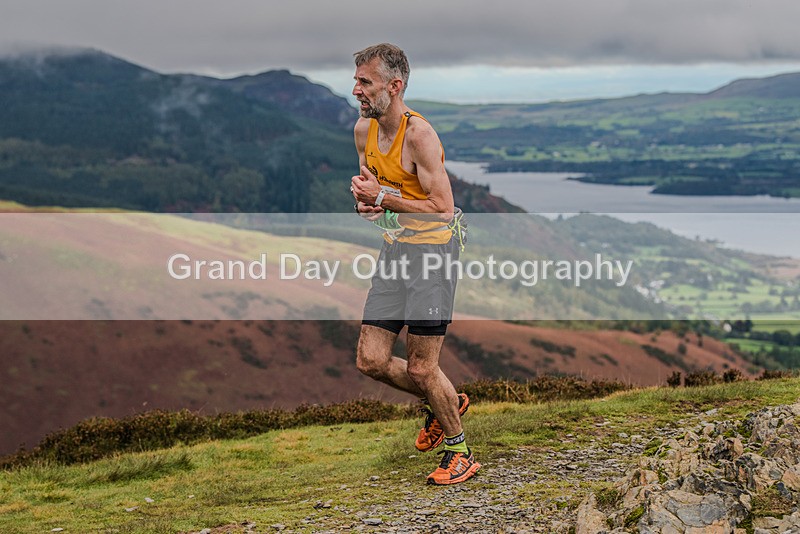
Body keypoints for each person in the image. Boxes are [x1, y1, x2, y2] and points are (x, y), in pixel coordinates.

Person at [349, 43, 479, 485]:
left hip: (434, 255)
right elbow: (373, 191)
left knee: (423, 367)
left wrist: (383, 198)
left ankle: (459, 452)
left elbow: (442, 209)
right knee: (370, 360)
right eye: (356, 81)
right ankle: (446, 400)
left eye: (365, 82)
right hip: (396, 250)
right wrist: (368, 206)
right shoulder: (363, 131)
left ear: (394, 85)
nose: (356, 90)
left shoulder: (419, 135)